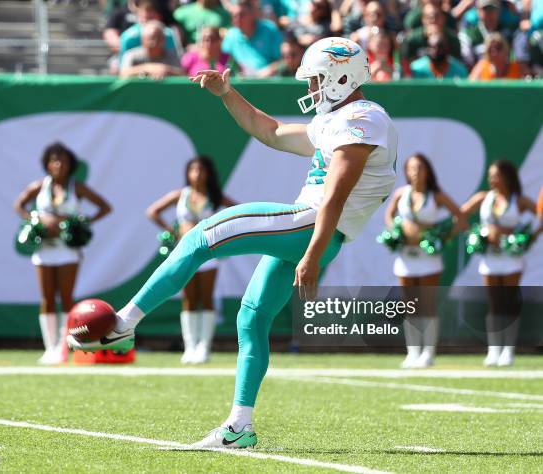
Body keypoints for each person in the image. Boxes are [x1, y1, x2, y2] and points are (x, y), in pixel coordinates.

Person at [69, 37, 398, 447]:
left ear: (340, 76)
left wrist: (312, 253)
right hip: (314, 229)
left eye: (315, 80)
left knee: (203, 233)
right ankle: (240, 426)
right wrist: (228, 94)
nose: (311, 89)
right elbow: (273, 131)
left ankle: (123, 324)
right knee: (252, 317)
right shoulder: (339, 119)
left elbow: (334, 194)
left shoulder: (364, 118)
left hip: (311, 225)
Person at [14, 143, 111, 365]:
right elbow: (19, 205)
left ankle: (63, 346)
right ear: (47, 164)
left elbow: (105, 207)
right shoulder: (39, 187)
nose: (58, 164)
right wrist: (35, 221)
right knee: (47, 298)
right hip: (45, 249)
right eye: (54, 159)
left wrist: (80, 224)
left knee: (65, 297)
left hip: (67, 250)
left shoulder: (76, 188)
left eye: (64, 160)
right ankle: (49, 347)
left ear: (71, 164)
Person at [147, 156, 236, 364]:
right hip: (184, 253)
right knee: (188, 299)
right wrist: (172, 231)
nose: (197, 174)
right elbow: (153, 212)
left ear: (209, 173)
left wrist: (221, 233)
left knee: (206, 298)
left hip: (208, 254)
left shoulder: (215, 197)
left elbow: (237, 212)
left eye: (202, 170)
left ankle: (204, 347)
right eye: (193, 170)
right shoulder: (180, 195)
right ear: (187, 173)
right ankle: (190, 347)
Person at [384, 153, 465, 368]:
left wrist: (444, 236)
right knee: (409, 306)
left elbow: (460, 216)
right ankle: (412, 352)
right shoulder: (402, 193)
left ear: (427, 171)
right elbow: (389, 215)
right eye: (411, 168)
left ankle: (428, 353)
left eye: (419, 168)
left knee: (427, 305)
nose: (415, 172)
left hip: (429, 258)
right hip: (405, 258)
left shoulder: (436, 195)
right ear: (406, 171)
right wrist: (396, 233)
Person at [461, 160, 539, 367]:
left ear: (507, 177)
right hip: (490, 257)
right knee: (494, 304)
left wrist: (529, 237)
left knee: (509, 303)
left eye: (496, 175)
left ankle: (508, 350)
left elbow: (540, 216)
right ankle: (494, 349)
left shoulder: (518, 200)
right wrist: (473, 236)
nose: (492, 179)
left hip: (512, 258)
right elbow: (460, 214)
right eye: (491, 175)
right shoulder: (484, 198)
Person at [221, 0, 283, 76]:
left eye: (242, 15)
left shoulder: (269, 29)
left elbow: (283, 60)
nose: (238, 19)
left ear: (253, 14)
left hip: (268, 82)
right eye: (234, 16)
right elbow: (223, 62)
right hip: (241, 83)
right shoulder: (231, 35)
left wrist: (270, 69)